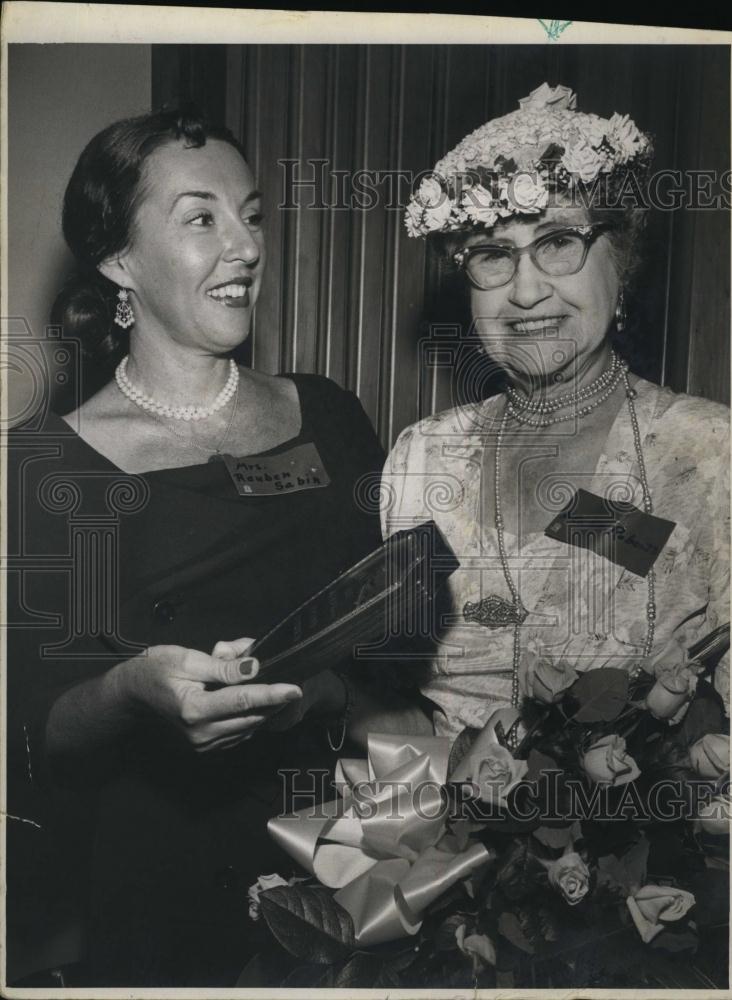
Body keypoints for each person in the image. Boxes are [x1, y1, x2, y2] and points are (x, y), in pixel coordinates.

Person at [5, 107, 423, 987]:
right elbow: (48, 737)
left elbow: (400, 648)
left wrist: (317, 694)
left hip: (356, 837)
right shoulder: (46, 463)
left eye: (254, 214)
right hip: (165, 873)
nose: (245, 246)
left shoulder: (331, 413)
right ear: (119, 261)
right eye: (202, 218)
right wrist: (130, 689)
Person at [384, 83, 730, 743]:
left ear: (620, 260)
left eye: (558, 242)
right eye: (493, 254)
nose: (526, 289)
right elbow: (388, 699)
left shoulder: (714, 455)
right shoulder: (421, 457)